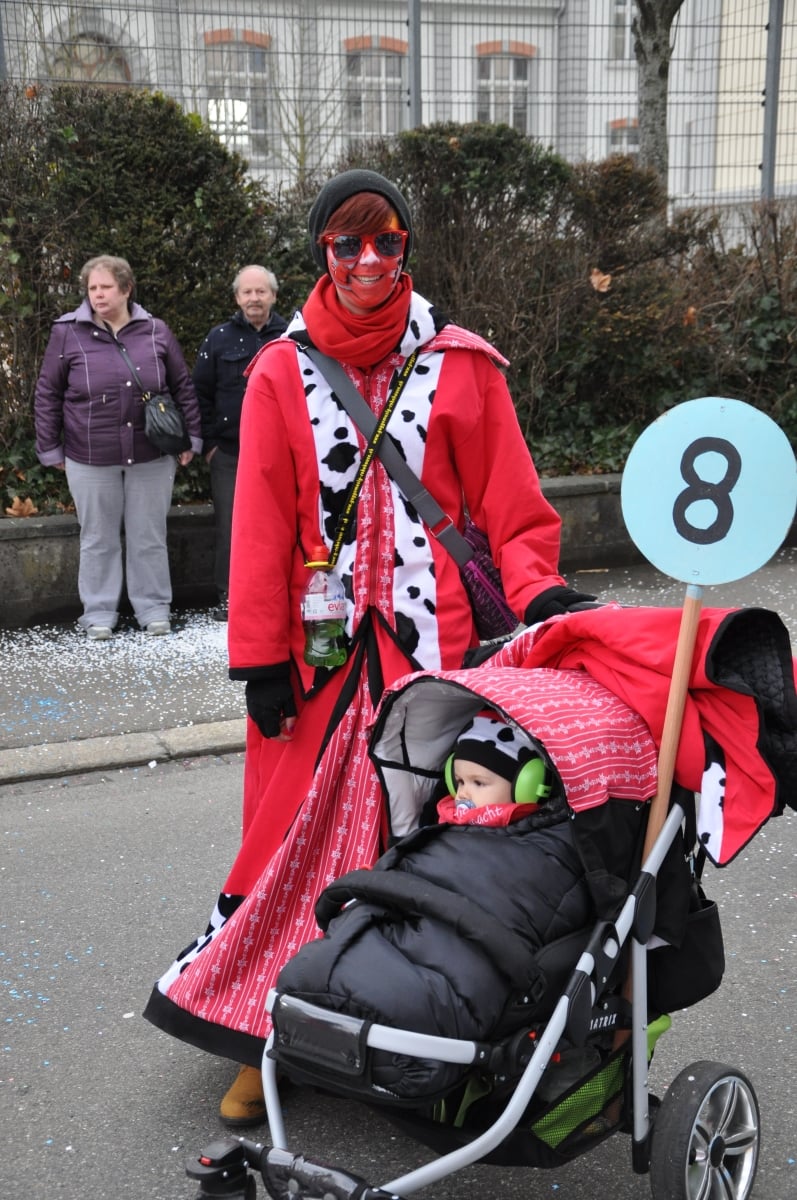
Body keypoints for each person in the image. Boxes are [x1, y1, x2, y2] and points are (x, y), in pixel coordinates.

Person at [143, 168, 594, 1125]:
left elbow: (512, 509)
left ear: (406, 249)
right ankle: (263, 1027)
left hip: (439, 660)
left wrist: (541, 592)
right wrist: (257, 656)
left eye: (384, 241)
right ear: (322, 254)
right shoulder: (279, 369)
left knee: (437, 839)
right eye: (345, 244)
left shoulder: (463, 363)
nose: (365, 261)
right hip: (316, 662)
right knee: (288, 844)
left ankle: (416, 1026)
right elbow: (260, 523)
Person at [272, 709, 594, 1101]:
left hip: (471, 941)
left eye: (480, 782)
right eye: (459, 781)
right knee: (347, 943)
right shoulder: (443, 829)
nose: (464, 793)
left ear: (529, 785)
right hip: (412, 918)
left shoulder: (555, 851)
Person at [34, 254, 202, 639]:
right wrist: (50, 448)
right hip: (89, 455)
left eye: (106, 287)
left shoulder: (156, 330)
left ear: (126, 289)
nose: (98, 294)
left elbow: (183, 387)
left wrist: (191, 438)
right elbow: (48, 393)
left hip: (152, 453)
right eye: (92, 288)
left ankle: (154, 609)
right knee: (97, 537)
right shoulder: (67, 333)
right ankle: (98, 613)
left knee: (149, 535)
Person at [193, 266, 288, 621]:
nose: (254, 298)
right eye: (247, 292)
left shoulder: (292, 336)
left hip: (283, 454)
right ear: (237, 298)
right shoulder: (218, 339)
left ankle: (276, 595)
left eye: (261, 291)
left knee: (280, 526)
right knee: (231, 528)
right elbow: (200, 393)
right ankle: (230, 596)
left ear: (273, 295)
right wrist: (210, 445)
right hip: (230, 453)